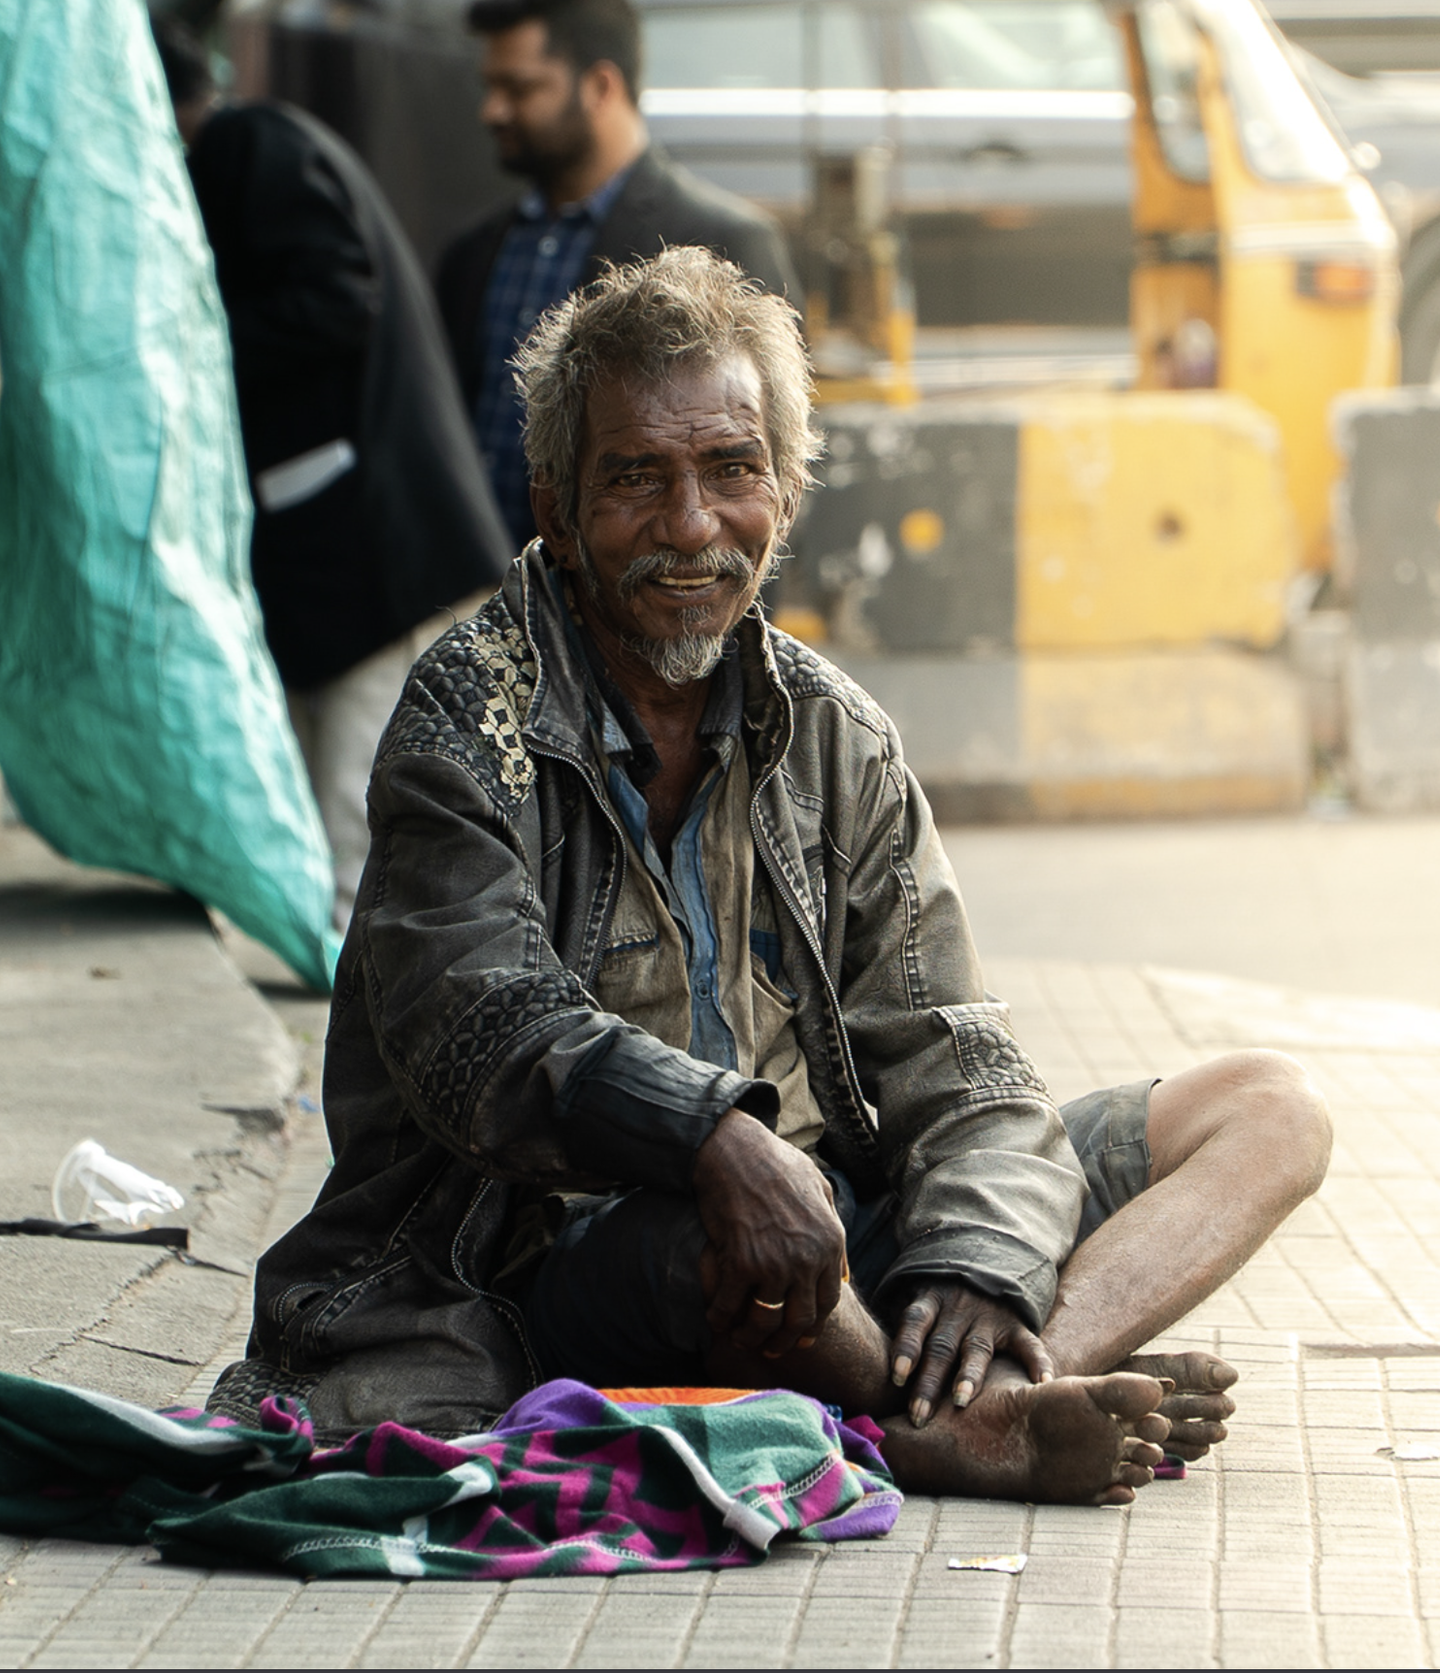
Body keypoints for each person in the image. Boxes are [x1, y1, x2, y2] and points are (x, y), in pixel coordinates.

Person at [210, 250, 1334, 1505]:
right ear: (556, 509)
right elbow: (483, 1025)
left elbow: (957, 1055)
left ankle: (1000, 1392)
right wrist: (709, 1136)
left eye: (729, 470)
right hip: (570, 1263)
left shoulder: (833, 730)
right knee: (730, 1232)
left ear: (786, 493)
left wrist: (979, 1261)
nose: (690, 526)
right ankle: (936, 1423)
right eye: (636, 478)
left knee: (1268, 1108)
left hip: (833, 1234)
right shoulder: (466, 716)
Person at [155, 21, 512, 932]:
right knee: (343, 833)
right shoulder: (263, 145)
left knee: (354, 846)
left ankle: (375, 1054)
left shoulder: (249, 144)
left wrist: (195, 340)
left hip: (378, 557)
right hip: (357, 559)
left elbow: (336, 295)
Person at [436, 0, 797, 551]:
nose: (493, 111)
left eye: (520, 89)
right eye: (491, 87)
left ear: (600, 85)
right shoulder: (472, 254)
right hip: (486, 608)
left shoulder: (722, 242)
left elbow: (768, 470)